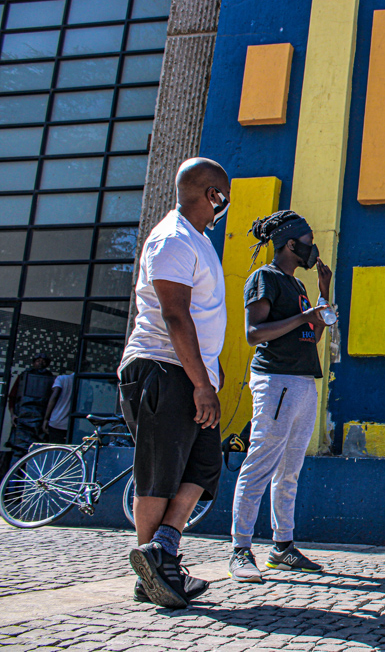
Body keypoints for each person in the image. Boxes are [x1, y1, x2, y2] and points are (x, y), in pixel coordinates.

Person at [117, 157, 230, 609]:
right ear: (213, 195)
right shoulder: (173, 238)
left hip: (189, 373)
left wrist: (208, 375)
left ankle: (160, 554)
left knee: (204, 466)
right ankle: (154, 577)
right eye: (224, 196)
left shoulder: (197, 239)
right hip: (164, 369)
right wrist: (201, 383)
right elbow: (175, 314)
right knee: (159, 476)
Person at [227, 211, 333, 583]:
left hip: (303, 381)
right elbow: (254, 332)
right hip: (276, 380)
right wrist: (304, 316)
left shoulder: (297, 285)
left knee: (290, 470)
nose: (312, 248)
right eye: (308, 242)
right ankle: (240, 549)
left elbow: (313, 335)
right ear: (290, 244)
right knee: (260, 463)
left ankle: (282, 547)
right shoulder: (265, 278)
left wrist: (323, 293)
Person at [6, 354, 55, 462]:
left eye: (43, 361)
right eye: (38, 360)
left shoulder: (50, 378)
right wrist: (13, 414)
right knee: (19, 451)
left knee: (35, 452)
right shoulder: (24, 376)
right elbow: (12, 396)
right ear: (33, 362)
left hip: (39, 419)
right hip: (23, 418)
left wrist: (46, 419)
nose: (40, 363)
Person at [43, 371, 74, 444]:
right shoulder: (86, 383)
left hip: (56, 421)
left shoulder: (61, 379)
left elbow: (54, 396)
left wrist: (46, 418)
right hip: (73, 424)